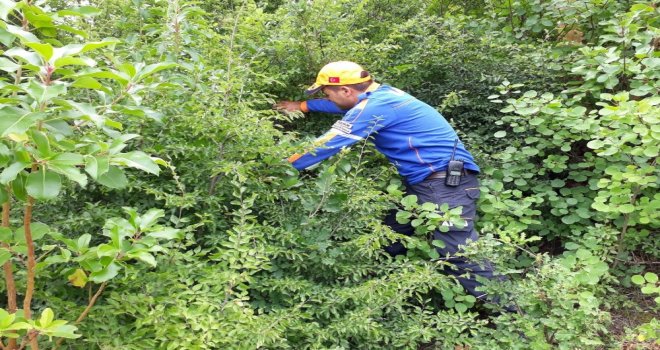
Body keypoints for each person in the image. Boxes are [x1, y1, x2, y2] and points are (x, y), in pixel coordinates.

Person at [276, 61, 502, 303]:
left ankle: (514, 316)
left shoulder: (374, 107)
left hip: (443, 185)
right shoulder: (384, 96)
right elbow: (345, 108)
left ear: (345, 90)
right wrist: (302, 106)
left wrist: (278, 167)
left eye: (326, 92)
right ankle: (375, 295)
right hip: (434, 182)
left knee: (458, 253)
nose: (325, 97)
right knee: (388, 236)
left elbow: (329, 143)